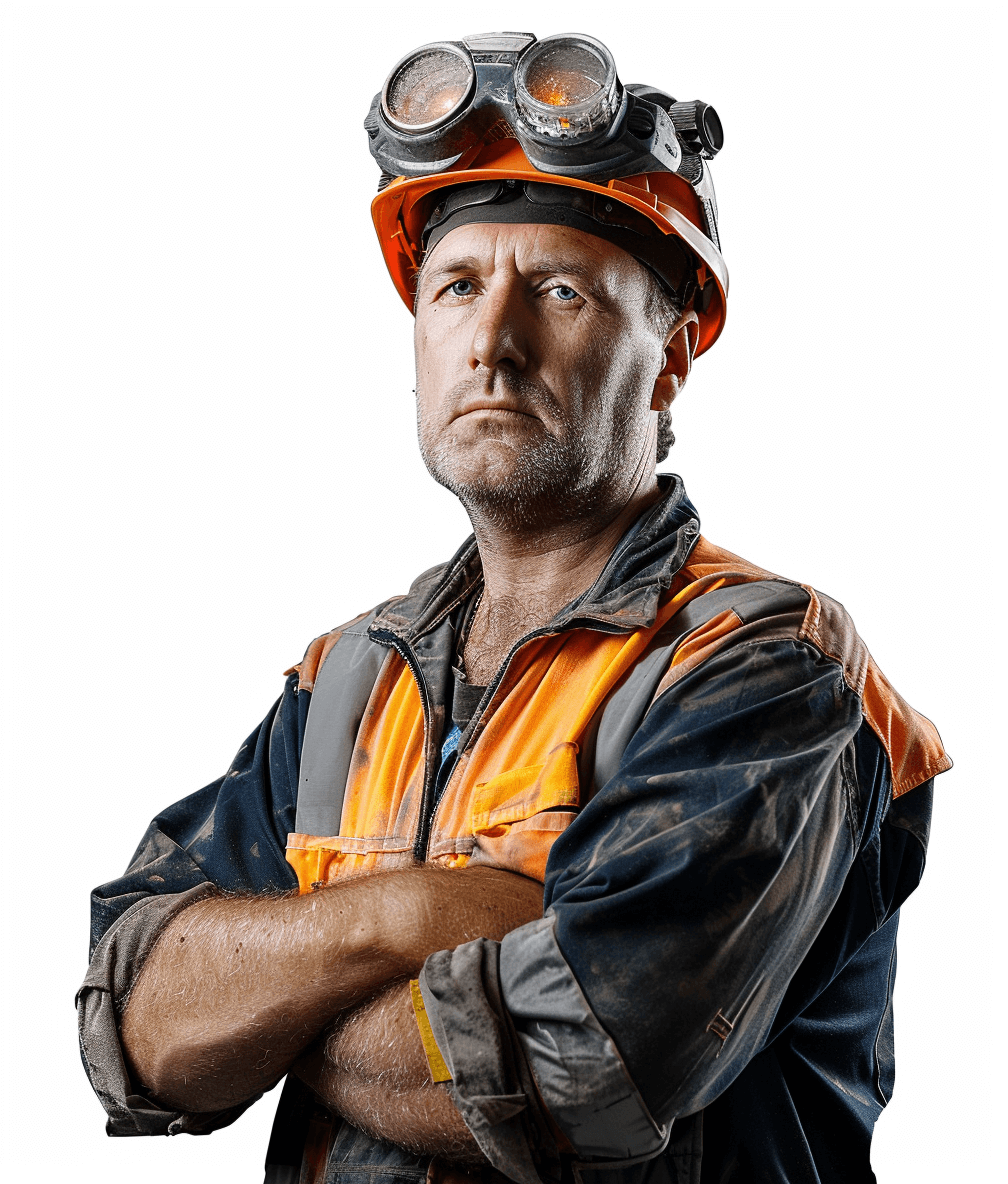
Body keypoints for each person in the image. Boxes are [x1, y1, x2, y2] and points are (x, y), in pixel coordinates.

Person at [77, 31, 950, 1184]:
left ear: (673, 357)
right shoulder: (348, 678)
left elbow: (579, 1063)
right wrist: (410, 917)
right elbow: (134, 1020)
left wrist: (268, 1014)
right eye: (456, 285)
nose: (492, 341)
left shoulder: (767, 668)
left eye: (559, 290)